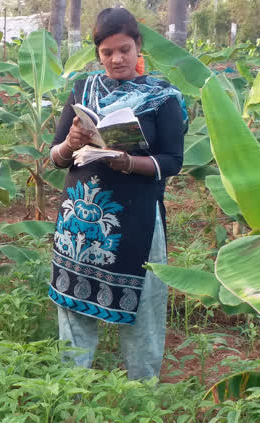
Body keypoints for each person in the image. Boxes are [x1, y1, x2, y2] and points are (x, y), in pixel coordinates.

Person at [48, 7, 187, 380]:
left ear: (138, 46)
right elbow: (56, 156)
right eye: (107, 52)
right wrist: (71, 142)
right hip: (80, 221)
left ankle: (142, 392)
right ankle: (71, 388)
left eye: (124, 49)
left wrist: (127, 162)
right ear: (99, 53)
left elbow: (173, 161)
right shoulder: (82, 89)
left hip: (136, 221)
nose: (116, 59)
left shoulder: (164, 97)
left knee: (143, 309)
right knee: (74, 311)